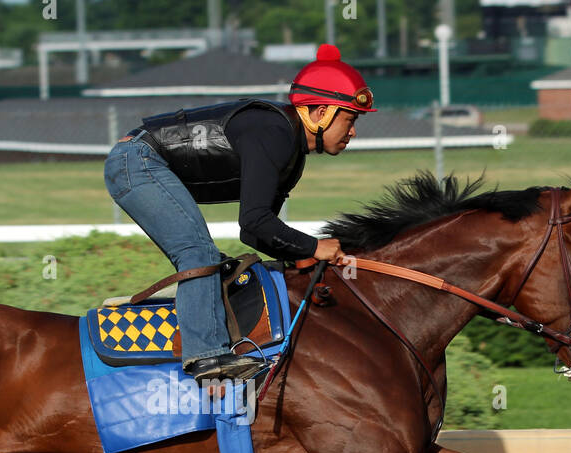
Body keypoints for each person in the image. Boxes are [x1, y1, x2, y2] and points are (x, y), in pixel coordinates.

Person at [103, 44, 375, 383]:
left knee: (214, 261)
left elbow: (255, 234)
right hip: (137, 160)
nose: (353, 132)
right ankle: (206, 358)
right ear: (319, 113)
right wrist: (312, 247)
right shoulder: (274, 133)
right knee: (197, 253)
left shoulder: (292, 157)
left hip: (143, 161)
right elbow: (255, 220)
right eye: (349, 119)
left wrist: (303, 255)